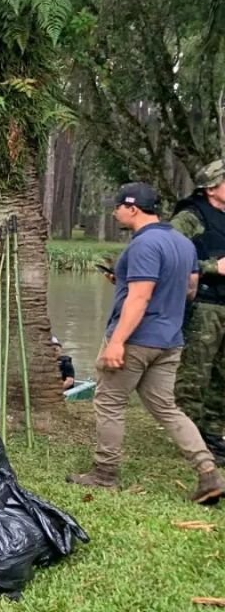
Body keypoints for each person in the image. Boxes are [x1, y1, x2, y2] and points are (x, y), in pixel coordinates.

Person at [68, 182, 224, 505]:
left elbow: (140, 297)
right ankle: (208, 470)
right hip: (170, 341)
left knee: (109, 401)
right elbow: (190, 290)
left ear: (133, 208)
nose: (115, 213)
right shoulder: (182, 243)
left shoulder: (143, 246)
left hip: (137, 338)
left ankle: (104, 474)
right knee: (167, 408)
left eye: (118, 208)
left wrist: (117, 342)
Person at [170, 159, 225, 459]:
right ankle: (188, 438)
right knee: (194, 374)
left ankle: (213, 435)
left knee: (222, 376)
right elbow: (172, 254)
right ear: (212, 188)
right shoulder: (191, 216)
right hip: (205, 305)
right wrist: (211, 267)